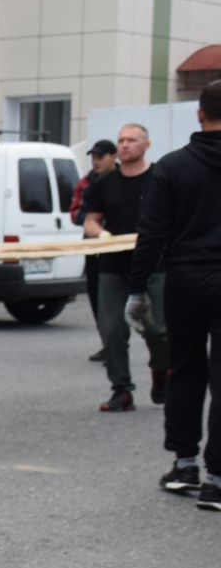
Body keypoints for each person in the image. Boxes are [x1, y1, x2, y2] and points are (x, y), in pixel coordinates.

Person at [128, 83, 221, 509]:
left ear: (199, 115)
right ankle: (217, 479)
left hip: (183, 278)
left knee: (185, 368)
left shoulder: (171, 166)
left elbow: (152, 234)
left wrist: (136, 288)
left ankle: (185, 465)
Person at [84, 123, 170, 411]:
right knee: (112, 331)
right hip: (114, 267)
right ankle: (122, 390)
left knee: (157, 330)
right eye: (121, 140)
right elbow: (90, 220)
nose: (124, 145)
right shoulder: (103, 184)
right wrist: (101, 233)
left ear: (146, 144)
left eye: (131, 140)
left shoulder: (162, 177)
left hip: (155, 265)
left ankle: (161, 371)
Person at [72, 139, 117, 361]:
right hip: (93, 246)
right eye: (93, 157)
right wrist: (93, 221)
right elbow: (75, 213)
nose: (96, 161)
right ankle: (107, 343)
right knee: (95, 295)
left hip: (119, 248)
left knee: (117, 298)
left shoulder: (123, 179)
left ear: (113, 157)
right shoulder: (86, 183)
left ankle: (116, 343)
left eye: (101, 156)